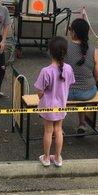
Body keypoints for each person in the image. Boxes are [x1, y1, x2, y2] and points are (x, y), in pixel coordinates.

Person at [34, 36, 75, 167]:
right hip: (61, 105)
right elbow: (70, 84)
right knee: (58, 130)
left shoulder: (46, 71)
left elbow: (40, 92)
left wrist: (40, 98)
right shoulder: (68, 69)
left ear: (50, 52)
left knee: (48, 131)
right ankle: (57, 158)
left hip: (48, 106)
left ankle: (46, 158)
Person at [64, 18, 98, 134]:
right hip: (87, 93)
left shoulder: (64, 48)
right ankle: (82, 123)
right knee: (85, 90)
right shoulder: (94, 51)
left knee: (61, 91)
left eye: (70, 29)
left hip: (66, 93)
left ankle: (58, 126)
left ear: (74, 33)